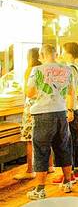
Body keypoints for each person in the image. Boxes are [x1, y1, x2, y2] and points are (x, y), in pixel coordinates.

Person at [25, 44, 76, 200]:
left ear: (41, 55)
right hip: (61, 112)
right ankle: (67, 182)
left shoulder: (37, 70)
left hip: (42, 113)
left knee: (41, 150)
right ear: (56, 54)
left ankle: (40, 189)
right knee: (63, 147)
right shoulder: (67, 70)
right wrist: (70, 110)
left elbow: (30, 93)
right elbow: (71, 92)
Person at [52, 42, 78, 184]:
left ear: (69, 53)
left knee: (67, 142)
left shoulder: (69, 69)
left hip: (69, 108)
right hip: (74, 107)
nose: (61, 54)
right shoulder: (74, 67)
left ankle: (70, 172)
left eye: (63, 51)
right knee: (74, 141)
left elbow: (67, 91)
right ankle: (76, 170)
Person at [13, 48, 42, 181]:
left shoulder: (30, 70)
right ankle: (49, 166)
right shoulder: (44, 69)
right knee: (44, 138)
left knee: (29, 139)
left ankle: (30, 170)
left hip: (31, 107)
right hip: (42, 106)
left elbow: (28, 91)